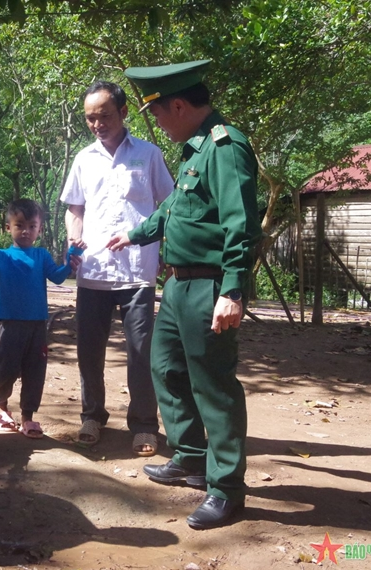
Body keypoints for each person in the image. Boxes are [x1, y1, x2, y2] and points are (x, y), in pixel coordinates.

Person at [109, 59, 262, 530]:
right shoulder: (194, 152)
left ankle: (227, 489)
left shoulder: (225, 147)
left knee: (213, 385)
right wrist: (134, 235)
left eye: (157, 113)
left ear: (178, 105)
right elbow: (174, 210)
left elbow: (240, 224)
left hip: (209, 285)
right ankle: (192, 459)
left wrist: (233, 290)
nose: (156, 122)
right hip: (176, 283)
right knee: (167, 369)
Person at [60, 81, 175, 454]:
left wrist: (167, 253)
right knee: (88, 351)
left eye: (104, 116)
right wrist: (72, 239)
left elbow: (168, 206)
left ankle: (144, 424)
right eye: (90, 118)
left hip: (137, 271)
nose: (97, 124)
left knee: (141, 351)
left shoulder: (148, 154)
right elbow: (74, 207)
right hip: (92, 270)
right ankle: (92, 415)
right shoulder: (83, 159)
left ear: (124, 113)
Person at [0, 199, 84, 438]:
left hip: (37, 325)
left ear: (39, 230)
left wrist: (70, 261)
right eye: (19, 225)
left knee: (35, 370)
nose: (25, 231)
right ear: (8, 227)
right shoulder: (3, 256)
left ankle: (28, 417)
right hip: (12, 323)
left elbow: (57, 277)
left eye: (32, 226)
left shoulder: (42, 255)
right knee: (6, 367)